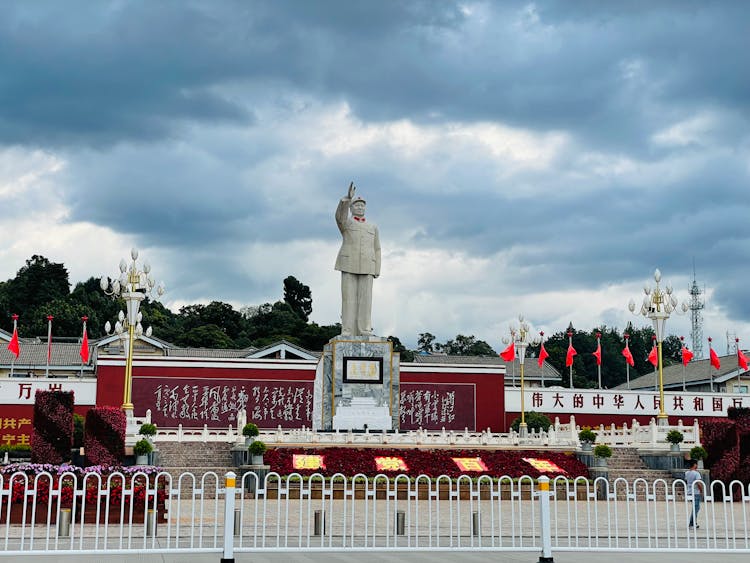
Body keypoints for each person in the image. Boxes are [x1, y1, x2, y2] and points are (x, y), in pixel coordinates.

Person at [335, 182, 380, 336]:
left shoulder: (372, 226)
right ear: (352, 208)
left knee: (366, 300)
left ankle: (365, 329)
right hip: (348, 263)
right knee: (348, 299)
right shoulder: (346, 223)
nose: (360, 208)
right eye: (357, 205)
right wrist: (347, 199)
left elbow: (377, 248)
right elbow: (339, 217)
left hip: (368, 265)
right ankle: (347, 329)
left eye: (362, 206)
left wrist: (377, 268)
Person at [685, 459, 704, 528]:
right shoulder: (696, 473)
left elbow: (687, 481)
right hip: (695, 492)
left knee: (695, 507)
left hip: (689, 492)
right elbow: (699, 483)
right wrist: (701, 490)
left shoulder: (687, 473)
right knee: (696, 508)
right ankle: (692, 523)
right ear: (695, 465)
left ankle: (693, 522)